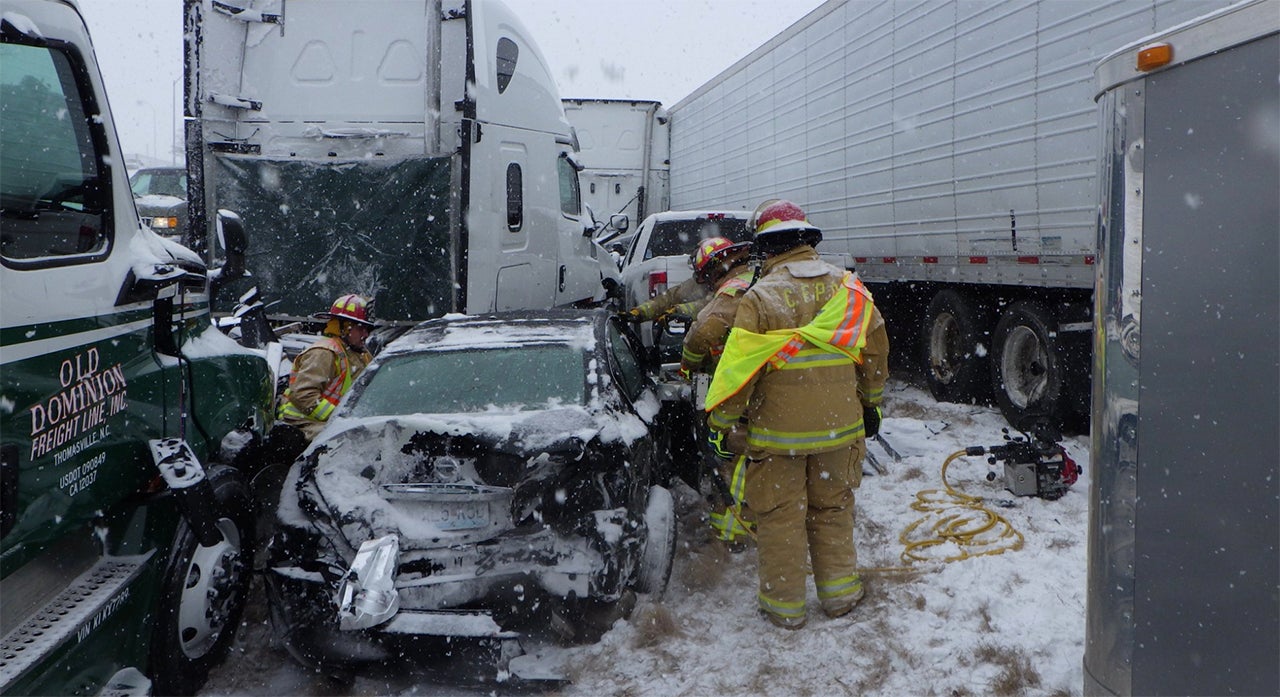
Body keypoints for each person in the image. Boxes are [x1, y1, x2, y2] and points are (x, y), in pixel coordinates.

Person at [705, 200, 889, 630]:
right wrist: (870, 404)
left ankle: (784, 609)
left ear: (766, 248)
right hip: (839, 430)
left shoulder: (759, 297)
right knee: (833, 509)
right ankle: (840, 596)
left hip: (778, 437)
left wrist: (720, 425)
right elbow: (875, 351)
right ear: (807, 240)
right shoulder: (850, 290)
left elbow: (739, 372)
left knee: (780, 518)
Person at [677, 236, 757, 547]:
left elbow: (702, 334)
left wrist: (690, 366)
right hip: (787, 386)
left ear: (713, 270)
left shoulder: (733, 289)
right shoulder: (761, 278)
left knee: (732, 455)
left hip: (744, 386)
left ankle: (731, 535)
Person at [271, 294, 377, 459]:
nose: (365, 334)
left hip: (331, 422)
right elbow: (304, 395)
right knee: (346, 445)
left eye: (367, 329)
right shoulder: (324, 353)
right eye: (360, 328)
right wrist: (340, 419)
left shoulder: (362, 355)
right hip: (303, 424)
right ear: (344, 327)